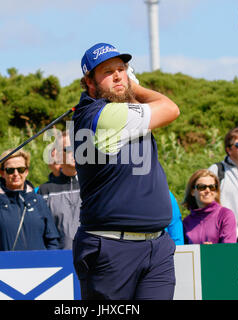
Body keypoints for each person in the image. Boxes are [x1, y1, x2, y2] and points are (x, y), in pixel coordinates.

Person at [71, 43, 180, 300]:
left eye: (122, 69)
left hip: (157, 247)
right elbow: (171, 108)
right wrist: (135, 86)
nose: (118, 75)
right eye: (108, 72)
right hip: (111, 249)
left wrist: (125, 89)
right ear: (89, 81)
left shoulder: (114, 108)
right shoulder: (102, 116)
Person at [0, 148, 60, 251]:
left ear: (26, 171)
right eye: (10, 170)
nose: (16, 174)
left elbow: (52, 241)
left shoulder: (38, 201)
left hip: (40, 265)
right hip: (8, 266)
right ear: (2, 173)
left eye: (20, 169)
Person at [38, 131, 81, 250]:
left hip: (91, 261)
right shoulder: (45, 191)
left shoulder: (95, 184)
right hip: (59, 262)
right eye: (69, 148)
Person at [182, 169, 237, 244]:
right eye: (202, 187)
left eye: (212, 187)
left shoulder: (225, 215)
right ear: (192, 191)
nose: (208, 190)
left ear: (216, 191)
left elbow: (229, 247)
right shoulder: (186, 222)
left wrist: (212, 250)